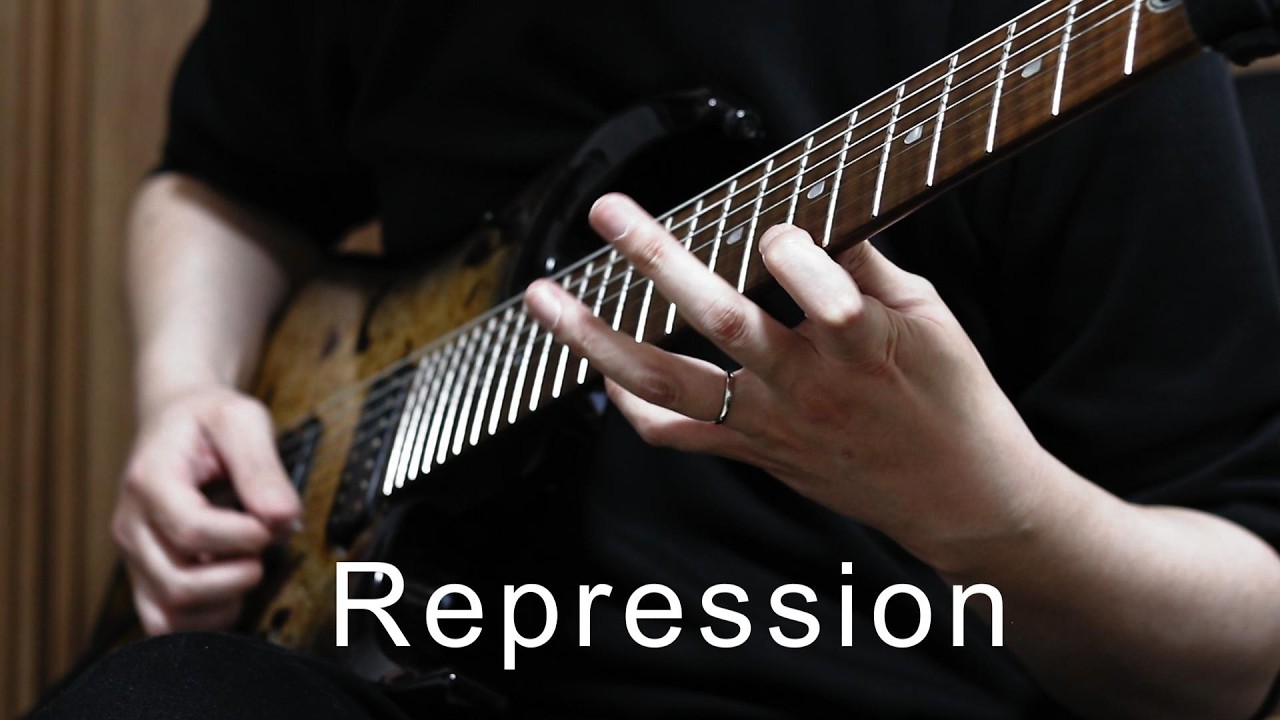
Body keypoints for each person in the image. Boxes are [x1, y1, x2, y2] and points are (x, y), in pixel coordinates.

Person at [33, 1, 1280, 718]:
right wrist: (184, 388)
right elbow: (223, 179)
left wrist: (982, 514)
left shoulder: (1088, 27)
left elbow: (1237, 645)